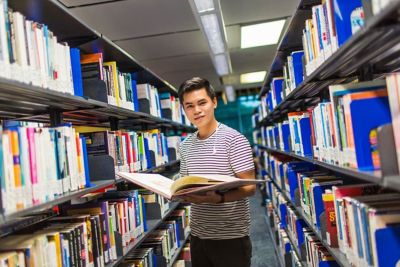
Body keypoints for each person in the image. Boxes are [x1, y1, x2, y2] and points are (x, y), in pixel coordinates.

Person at [178, 77, 256, 267]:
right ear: (184, 110)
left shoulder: (235, 140)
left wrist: (219, 199)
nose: (196, 110)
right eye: (189, 106)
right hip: (198, 235)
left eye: (202, 103)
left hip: (230, 238)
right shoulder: (185, 146)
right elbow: (185, 183)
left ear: (214, 102)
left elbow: (250, 188)